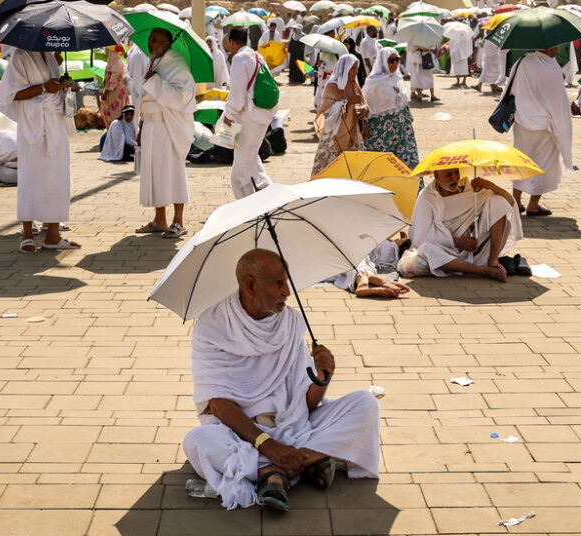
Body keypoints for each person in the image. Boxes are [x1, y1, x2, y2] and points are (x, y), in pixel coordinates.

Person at [182, 248, 381, 511]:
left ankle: (274, 472)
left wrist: (322, 378)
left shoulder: (290, 322)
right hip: (240, 433)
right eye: (279, 284)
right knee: (198, 441)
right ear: (250, 286)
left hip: (293, 424)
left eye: (287, 282)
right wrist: (267, 444)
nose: (287, 291)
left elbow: (305, 404)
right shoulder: (212, 326)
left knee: (365, 404)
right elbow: (217, 403)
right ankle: (307, 461)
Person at [0, 49, 79, 254]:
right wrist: (44, 88)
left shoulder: (50, 55)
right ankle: (28, 234)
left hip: (55, 122)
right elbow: (10, 94)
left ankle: (53, 235)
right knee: (31, 177)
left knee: (57, 177)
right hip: (33, 126)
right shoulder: (20, 56)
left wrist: (62, 83)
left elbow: (53, 87)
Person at [135, 28, 196, 239]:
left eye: (154, 40)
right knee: (154, 173)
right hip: (150, 126)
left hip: (168, 127)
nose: (149, 43)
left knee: (173, 172)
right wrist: (141, 127)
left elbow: (184, 96)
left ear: (167, 43)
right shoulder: (154, 63)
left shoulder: (176, 63)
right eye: (149, 40)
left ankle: (178, 221)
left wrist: (155, 81)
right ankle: (159, 219)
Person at [409, 168, 520, 282]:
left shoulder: (470, 189)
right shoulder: (427, 196)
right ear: (436, 175)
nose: (454, 178)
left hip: (473, 249)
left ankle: (493, 261)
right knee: (425, 249)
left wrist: (491, 186)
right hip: (444, 251)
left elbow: (509, 203)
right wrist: (459, 242)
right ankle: (483, 271)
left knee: (498, 201)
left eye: (456, 172)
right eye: (449, 174)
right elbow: (421, 238)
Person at [507, 47, 573, 217]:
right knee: (544, 164)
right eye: (555, 46)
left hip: (522, 121)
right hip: (544, 125)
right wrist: (562, 127)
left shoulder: (522, 62)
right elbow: (558, 101)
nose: (557, 49)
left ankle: (515, 201)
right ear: (548, 47)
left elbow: (511, 90)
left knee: (520, 161)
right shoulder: (551, 67)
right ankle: (533, 204)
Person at [223, 26, 275, 199]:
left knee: (240, 170)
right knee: (251, 159)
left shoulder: (239, 59)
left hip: (248, 117)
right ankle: (269, 192)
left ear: (232, 42)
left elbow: (237, 95)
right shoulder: (257, 56)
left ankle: (246, 204)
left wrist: (228, 115)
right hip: (263, 114)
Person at [362, 48, 419, 168]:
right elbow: (364, 105)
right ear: (383, 61)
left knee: (407, 163)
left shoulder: (397, 78)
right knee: (381, 165)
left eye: (397, 60)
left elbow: (403, 102)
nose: (395, 63)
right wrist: (364, 125)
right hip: (380, 132)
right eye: (391, 60)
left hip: (403, 131)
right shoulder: (373, 82)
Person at [311, 55, 367, 176]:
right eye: (353, 68)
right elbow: (325, 111)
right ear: (345, 69)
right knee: (331, 167)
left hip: (352, 131)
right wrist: (347, 102)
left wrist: (364, 109)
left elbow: (363, 103)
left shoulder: (354, 85)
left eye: (357, 68)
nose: (356, 72)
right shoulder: (332, 86)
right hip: (334, 134)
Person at [100, 46, 130, 126]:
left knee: (116, 114)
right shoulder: (111, 62)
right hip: (112, 92)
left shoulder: (116, 62)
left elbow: (114, 80)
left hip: (116, 92)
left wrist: (106, 92)